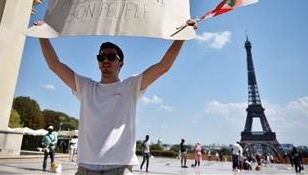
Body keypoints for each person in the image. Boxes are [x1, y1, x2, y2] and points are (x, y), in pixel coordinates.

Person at [35, 19, 198, 175]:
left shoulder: (130, 86)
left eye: (111, 57)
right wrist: (42, 34)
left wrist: (181, 38)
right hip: (85, 168)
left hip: (119, 168)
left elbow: (163, 66)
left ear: (121, 64)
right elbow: (54, 65)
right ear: (98, 62)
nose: (106, 60)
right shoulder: (85, 87)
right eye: (101, 57)